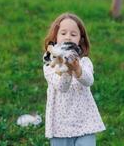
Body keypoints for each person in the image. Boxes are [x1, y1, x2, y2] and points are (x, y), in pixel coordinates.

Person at [43, 13, 106, 146]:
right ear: (55, 37)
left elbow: (89, 81)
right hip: (59, 123)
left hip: (85, 121)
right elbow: (62, 87)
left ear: (80, 40)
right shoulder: (49, 65)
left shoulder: (84, 62)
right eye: (63, 33)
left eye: (73, 34)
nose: (68, 37)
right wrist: (67, 71)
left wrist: (77, 69)